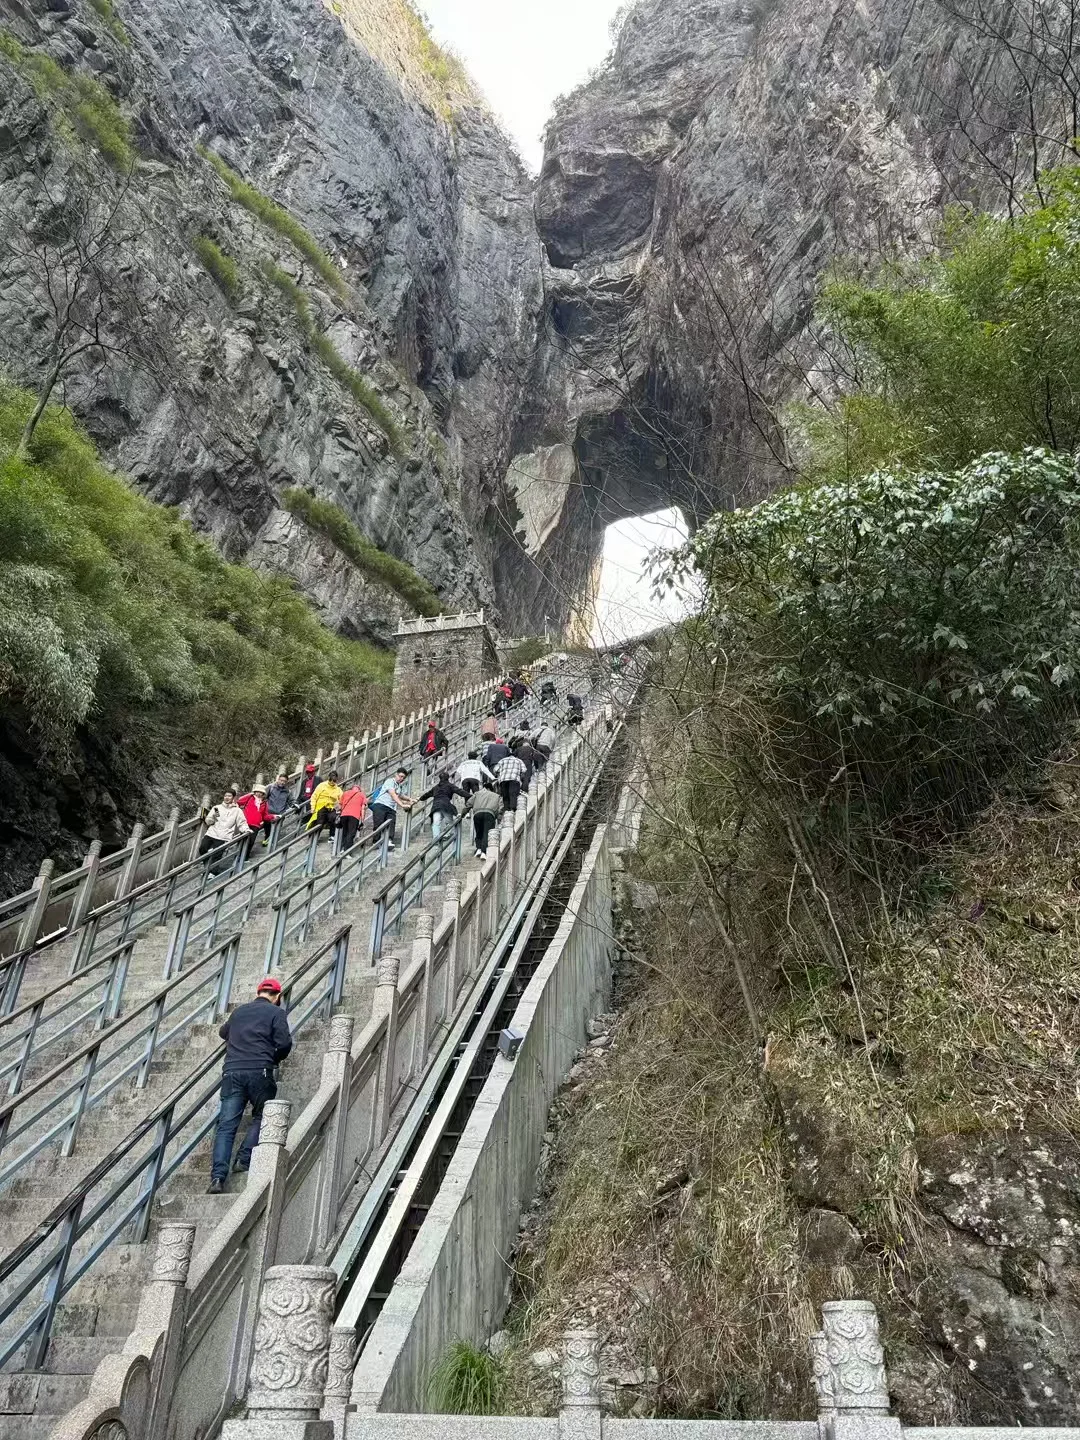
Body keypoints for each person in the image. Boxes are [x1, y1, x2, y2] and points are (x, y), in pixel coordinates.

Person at [207, 976, 292, 1193]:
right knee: (263, 1115)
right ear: (278, 997)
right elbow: (284, 1043)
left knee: (226, 1126)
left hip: (232, 1071)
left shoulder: (239, 1012)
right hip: (259, 1070)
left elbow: (223, 1032)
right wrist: (273, 1058)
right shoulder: (276, 1013)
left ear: (258, 993)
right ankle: (243, 1159)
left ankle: (217, 1178)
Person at [369, 768, 413, 849]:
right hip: (381, 805)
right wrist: (402, 805)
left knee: (391, 823)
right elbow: (393, 794)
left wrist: (409, 799)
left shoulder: (398, 786)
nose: (401, 779)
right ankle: (376, 842)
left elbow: (400, 795)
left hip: (391, 807)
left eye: (403, 778)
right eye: (400, 776)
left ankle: (389, 841)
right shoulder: (390, 781)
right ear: (396, 774)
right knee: (379, 823)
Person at [199, 788, 249, 857]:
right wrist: (210, 820)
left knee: (216, 855)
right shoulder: (217, 808)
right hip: (212, 833)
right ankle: (206, 862)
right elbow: (212, 818)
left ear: (233, 798)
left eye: (229, 796)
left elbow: (242, 823)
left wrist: (246, 830)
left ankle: (211, 863)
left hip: (224, 836)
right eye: (225, 796)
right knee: (202, 849)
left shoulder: (237, 811)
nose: (227, 798)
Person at [419, 770, 467, 842]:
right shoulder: (450, 786)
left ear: (440, 778)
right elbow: (460, 791)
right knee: (449, 822)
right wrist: (470, 796)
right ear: (448, 778)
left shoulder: (435, 787)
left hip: (436, 806)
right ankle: (447, 835)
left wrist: (420, 799)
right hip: (446, 805)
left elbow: (427, 794)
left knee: (436, 823)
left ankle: (436, 838)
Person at [470, 783, 502, 858]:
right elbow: (500, 808)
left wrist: (463, 813)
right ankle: (484, 852)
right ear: (491, 789)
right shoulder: (497, 796)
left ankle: (478, 849)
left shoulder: (477, 793)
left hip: (477, 814)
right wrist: (499, 818)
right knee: (486, 833)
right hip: (490, 814)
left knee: (479, 832)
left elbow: (469, 803)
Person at [307, 771, 343, 835]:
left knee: (334, 818)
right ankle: (314, 837)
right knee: (319, 822)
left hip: (331, 808)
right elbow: (314, 797)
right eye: (331, 780)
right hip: (321, 807)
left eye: (334, 781)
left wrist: (339, 807)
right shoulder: (322, 786)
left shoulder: (338, 789)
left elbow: (342, 799)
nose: (332, 782)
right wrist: (313, 807)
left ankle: (332, 836)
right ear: (328, 778)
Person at [237, 783, 270, 853]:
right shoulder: (249, 797)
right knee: (242, 840)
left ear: (263, 794)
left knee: (251, 842)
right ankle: (238, 855)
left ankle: (245, 856)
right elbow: (239, 802)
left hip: (256, 825)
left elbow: (265, 815)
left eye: (261, 792)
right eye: (257, 792)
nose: (259, 794)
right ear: (255, 792)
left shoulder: (264, 803)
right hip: (245, 823)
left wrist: (273, 816)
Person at [337, 780, 368, 850]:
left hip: (344, 815)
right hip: (354, 816)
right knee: (351, 833)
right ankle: (347, 850)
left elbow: (339, 806)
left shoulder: (345, 793)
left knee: (345, 832)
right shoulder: (361, 794)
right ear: (359, 790)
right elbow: (363, 808)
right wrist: (362, 820)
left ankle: (342, 848)